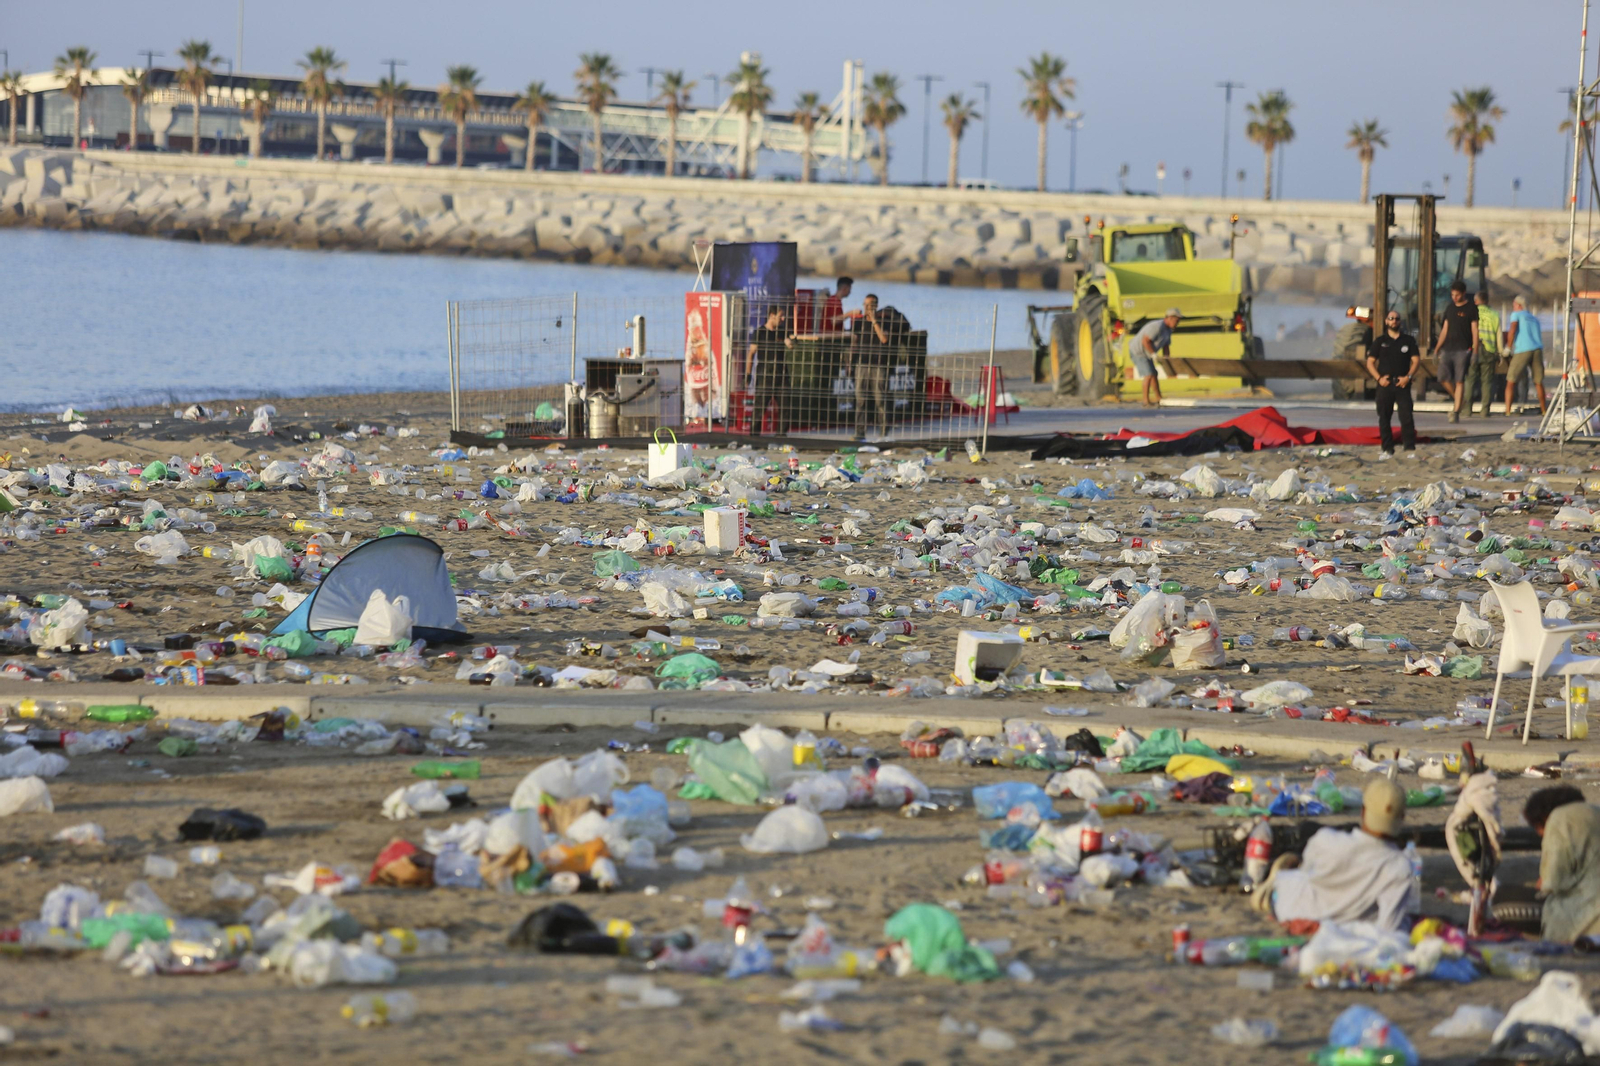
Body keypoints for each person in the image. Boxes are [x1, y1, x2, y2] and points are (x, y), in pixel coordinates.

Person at [1259, 778, 1416, 931]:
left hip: (1292, 911)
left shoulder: (1325, 840)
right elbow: (1388, 927)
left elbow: (1307, 873)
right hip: (1345, 927)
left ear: (1363, 811)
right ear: (1402, 818)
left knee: (1294, 876)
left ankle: (1277, 877)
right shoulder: (1400, 867)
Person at [1524, 786, 1600, 943]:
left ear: (1543, 818)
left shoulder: (1559, 819)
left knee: (1503, 900)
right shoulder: (1594, 811)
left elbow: (1551, 882)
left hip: (1586, 925)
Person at [850, 294, 908, 439]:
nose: (867, 308)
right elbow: (854, 343)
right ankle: (859, 433)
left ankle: (883, 433)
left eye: (870, 305)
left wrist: (874, 320)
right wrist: (849, 363)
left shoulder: (884, 321)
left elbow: (884, 339)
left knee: (880, 399)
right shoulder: (859, 322)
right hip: (862, 364)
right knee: (860, 399)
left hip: (878, 365)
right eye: (865, 305)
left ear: (876, 306)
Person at [1366, 310, 1420, 455]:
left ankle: (1409, 448)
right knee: (1384, 417)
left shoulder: (1408, 340)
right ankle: (1387, 448)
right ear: (1386, 321)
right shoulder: (1380, 341)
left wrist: (1408, 377)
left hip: (1402, 383)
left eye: (1396, 319)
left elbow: (1416, 361)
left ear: (1400, 321)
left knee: (1406, 417)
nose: (1394, 321)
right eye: (1391, 318)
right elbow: (1370, 362)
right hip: (1385, 384)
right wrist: (1379, 378)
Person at [1432, 280, 1479, 422]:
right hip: (1447, 349)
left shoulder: (1471, 309)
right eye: (1452, 295)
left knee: (1459, 380)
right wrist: (1436, 349)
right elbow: (1444, 330)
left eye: (1457, 295)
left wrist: (1475, 351)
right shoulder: (1450, 308)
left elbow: (1475, 330)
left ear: (1463, 294)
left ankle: (1456, 410)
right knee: (1442, 378)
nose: (1455, 297)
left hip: (1463, 350)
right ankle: (1459, 400)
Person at [748, 304, 793, 436]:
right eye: (780, 316)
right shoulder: (760, 332)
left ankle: (781, 435)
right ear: (772, 316)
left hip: (781, 373)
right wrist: (748, 374)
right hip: (765, 374)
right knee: (760, 406)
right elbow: (751, 353)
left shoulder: (782, 331)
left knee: (785, 405)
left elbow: (791, 344)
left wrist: (790, 342)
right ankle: (754, 436)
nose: (783, 318)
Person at [1505, 295, 1548, 415]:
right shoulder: (1534, 318)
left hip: (1523, 349)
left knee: (1510, 380)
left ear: (1518, 305)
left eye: (1514, 304)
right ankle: (1544, 409)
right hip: (1537, 349)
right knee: (1538, 381)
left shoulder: (1516, 314)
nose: (1513, 307)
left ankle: (1507, 410)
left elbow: (1512, 329)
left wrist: (1508, 347)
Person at [1128, 308, 1180, 407]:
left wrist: (1166, 361)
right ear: (1169, 318)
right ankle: (1145, 401)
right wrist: (1153, 354)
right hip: (1138, 351)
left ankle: (1158, 398)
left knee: (1154, 374)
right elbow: (1145, 341)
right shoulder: (1157, 326)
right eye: (1176, 320)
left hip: (1147, 352)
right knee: (1148, 375)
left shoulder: (1168, 330)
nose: (1177, 323)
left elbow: (1166, 346)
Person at [1464, 292, 1500, 418]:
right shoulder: (1494, 314)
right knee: (1487, 382)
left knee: (1470, 380)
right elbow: (1498, 335)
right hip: (1489, 350)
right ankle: (1485, 410)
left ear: (1476, 301)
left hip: (1474, 348)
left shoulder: (1471, 312)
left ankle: (1467, 409)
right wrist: (1499, 352)